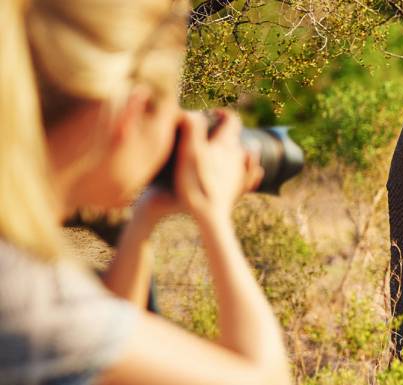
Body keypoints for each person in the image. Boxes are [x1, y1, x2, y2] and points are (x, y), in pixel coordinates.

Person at [0, 0, 292, 384]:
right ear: (128, 113)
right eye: (174, 108)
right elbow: (265, 379)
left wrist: (144, 218)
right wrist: (213, 214)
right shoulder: (26, 297)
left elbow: (108, 359)